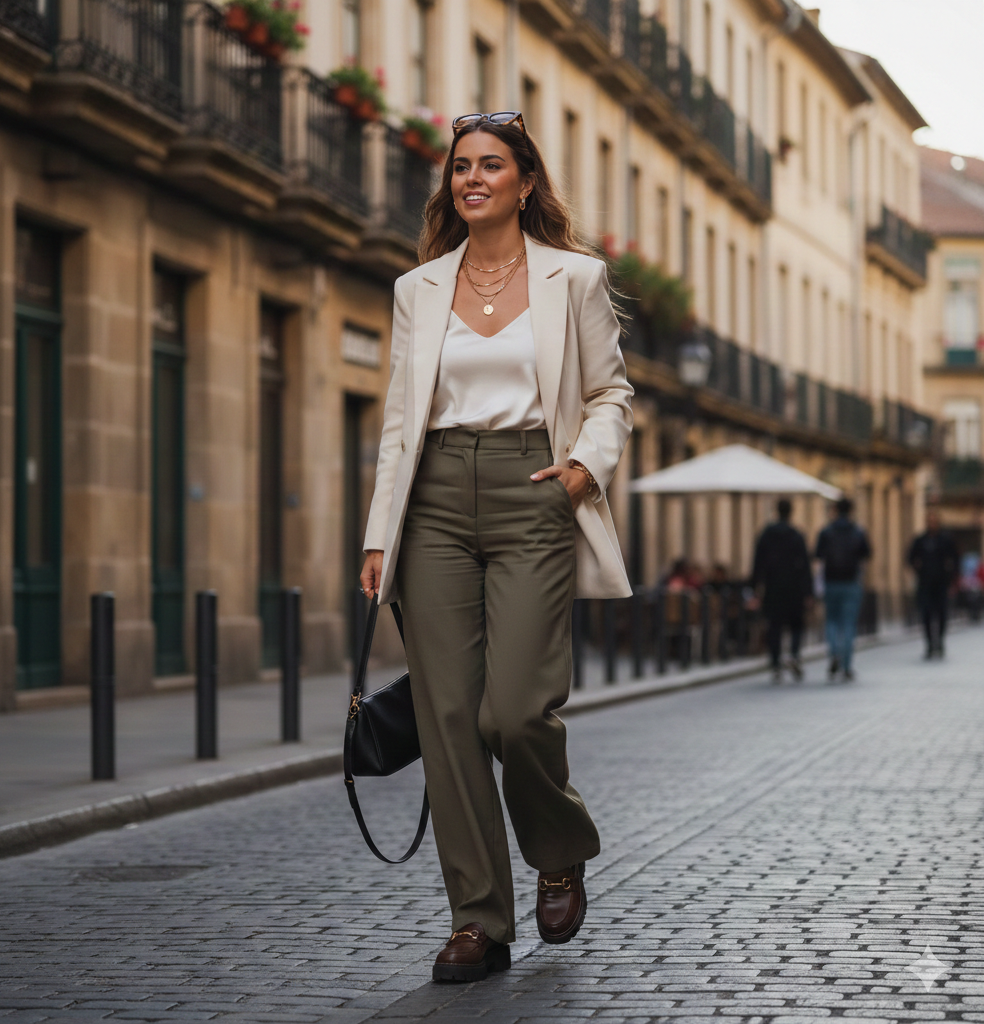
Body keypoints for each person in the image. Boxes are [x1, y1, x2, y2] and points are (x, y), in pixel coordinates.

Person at [359, 110, 633, 983]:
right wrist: (379, 532)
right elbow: (400, 423)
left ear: (523, 181)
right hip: (433, 499)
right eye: (460, 167)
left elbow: (610, 395)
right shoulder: (419, 289)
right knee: (446, 723)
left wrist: (586, 468)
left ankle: (558, 849)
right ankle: (478, 920)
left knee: (510, 712)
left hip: (533, 491)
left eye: (490, 165)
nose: (471, 178)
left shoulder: (574, 280)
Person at [751, 498, 813, 682]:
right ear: (791, 512)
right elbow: (805, 566)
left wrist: (754, 588)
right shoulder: (797, 535)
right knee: (796, 625)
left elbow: (757, 564)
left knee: (774, 626)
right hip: (794, 588)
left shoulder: (766, 534)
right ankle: (794, 655)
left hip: (773, 587)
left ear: (776, 511)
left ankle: (776, 664)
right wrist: (808, 592)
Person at [814, 497, 871, 681]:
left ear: (835, 510)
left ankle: (834, 654)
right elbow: (867, 554)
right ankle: (846, 665)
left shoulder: (826, 531)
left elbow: (817, 554)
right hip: (851, 583)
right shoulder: (857, 531)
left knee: (831, 621)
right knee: (848, 625)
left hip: (831, 582)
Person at [907, 510, 959, 658]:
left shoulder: (946, 539)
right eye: (929, 521)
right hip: (925, 584)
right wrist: (918, 569)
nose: (932, 524)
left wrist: (952, 579)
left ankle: (940, 642)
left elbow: (955, 559)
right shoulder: (920, 540)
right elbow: (910, 558)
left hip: (942, 583)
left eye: (934, 521)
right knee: (926, 615)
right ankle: (929, 644)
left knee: (942, 614)